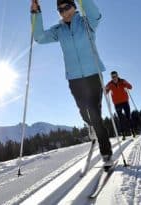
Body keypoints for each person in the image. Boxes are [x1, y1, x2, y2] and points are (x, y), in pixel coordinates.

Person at [30, 0, 113, 166]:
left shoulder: (86, 23)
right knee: (84, 112)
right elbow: (39, 37)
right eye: (60, 10)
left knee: (95, 114)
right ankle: (90, 125)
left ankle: (106, 153)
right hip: (74, 78)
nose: (64, 11)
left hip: (93, 74)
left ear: (75, 7)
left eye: (67, 7)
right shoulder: (59, 30)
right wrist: (36, 14)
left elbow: (96, 15)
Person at [106, 71, 136, 140]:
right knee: (120, 118)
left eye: (115, 76)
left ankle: (133, 131)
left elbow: (130, 87)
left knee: (128, 116)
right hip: (117, 103)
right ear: (111, 77)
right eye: (112, 77)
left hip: (125, 101)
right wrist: (106, 89)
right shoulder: (110, 84)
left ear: (117, 75)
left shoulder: (122, 81)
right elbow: (106, 92)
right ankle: (123, 134)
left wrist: (126, 83)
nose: (114, 78)